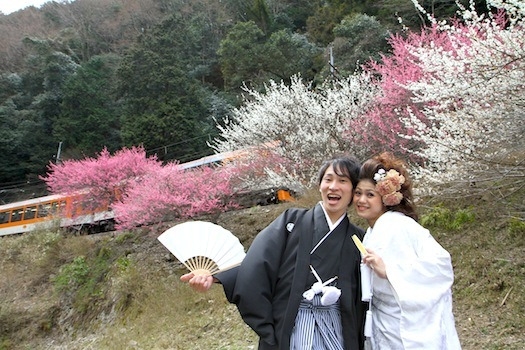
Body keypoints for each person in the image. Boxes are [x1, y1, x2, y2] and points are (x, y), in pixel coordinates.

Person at [181, 156, 366, 349]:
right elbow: (256, 264)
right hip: (291, 326)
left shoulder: (358, 239)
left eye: (343, 181)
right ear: (320, 185)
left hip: (337, 330)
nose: (333, 186)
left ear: (353, 191)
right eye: (328, 180)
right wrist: (216, 277)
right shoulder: (292, 222)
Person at [353, 152, 461, 349]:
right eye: (358, 193)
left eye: (370, 195)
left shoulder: (399, 225)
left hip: (404, 325)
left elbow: (441, 266)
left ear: (386, 198)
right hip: (383, 323)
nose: (361, 200)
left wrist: (390, 271)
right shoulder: (371, 232)